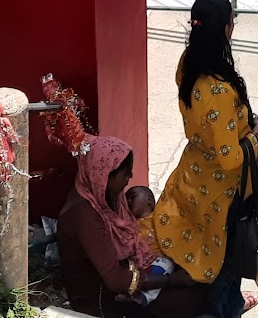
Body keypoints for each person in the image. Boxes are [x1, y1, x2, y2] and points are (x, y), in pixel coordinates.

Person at [144, 0, 258, 318]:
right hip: (220, 191)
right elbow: (231, 158)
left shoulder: (189, 63)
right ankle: (224, 309)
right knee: (223, 258)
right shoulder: (220, 89)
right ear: (225, 29)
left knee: (201, 248)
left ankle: (229, 302)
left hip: (192, 175)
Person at [59, 135, 206, 317]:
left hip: (121, 275)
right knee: (187, 299)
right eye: (125, 173)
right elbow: (115, 280)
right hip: (100, 297)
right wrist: (171, 280)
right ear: (105, 176)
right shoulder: (87, 217)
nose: (131, 177)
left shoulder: (100, 191)